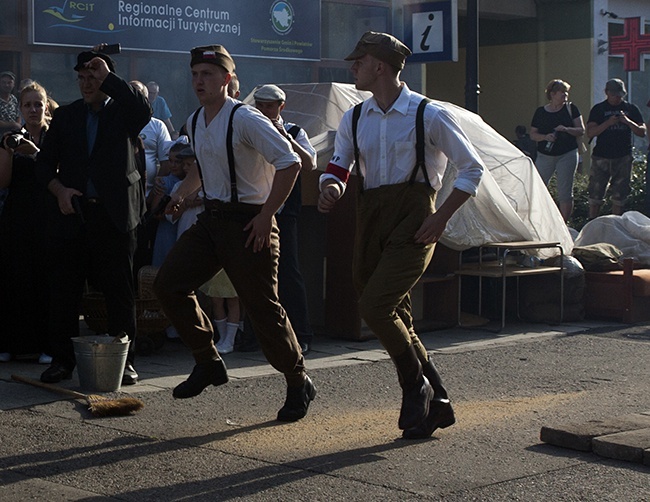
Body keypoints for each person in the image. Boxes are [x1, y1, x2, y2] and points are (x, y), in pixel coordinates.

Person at [317, 31, 484, 439]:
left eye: (360, 60)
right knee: (397, 315)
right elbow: (340, 165)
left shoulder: (428, 114)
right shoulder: (355, 116)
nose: (353, 67)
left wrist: (441, 217)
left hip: (415, 219)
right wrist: (331, 187)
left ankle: (414, 386)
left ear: (380, 66)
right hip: (370, 216)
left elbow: (473, 168)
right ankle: (438, 401)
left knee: (375, 306)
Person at [153, 44, 315, 422]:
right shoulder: (195, 120)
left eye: (207, 75)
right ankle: (208, 360)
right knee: (168, 285)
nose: (198, 81)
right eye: (194, 75)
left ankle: (297, 379)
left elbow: (291, 164)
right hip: (212, 220)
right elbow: (203, 167)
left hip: (249, 222)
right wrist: (180, 194)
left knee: (262, 309)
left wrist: (266, 216)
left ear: (227, 79)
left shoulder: (247, 119)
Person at [35, 46, 152, 384]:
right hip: (74, 214)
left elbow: (142, 109)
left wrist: (108, 77)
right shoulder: (66, 116)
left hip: (114, 216)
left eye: (94, 77)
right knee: (65, 291)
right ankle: (62, 360)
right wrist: (59, 190)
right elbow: (43, 165)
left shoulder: (122, 113)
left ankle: (124, 360)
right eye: (82, 78)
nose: (87, 84)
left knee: (119, 291)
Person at [253, 84, 317, 354]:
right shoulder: (251, 128)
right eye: (260, 105)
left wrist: (285, 138)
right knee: (254, 272)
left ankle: (301, 333)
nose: (264, 111)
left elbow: (310, 163)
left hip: (285, 210)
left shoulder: (294, 131)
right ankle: (256, 335)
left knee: (289, 272)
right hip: (256, 207)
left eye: (269, 106)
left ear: (281, 106)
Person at [0, 82, 54, 364]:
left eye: (37, 104)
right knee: (14, 279)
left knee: (45, 281)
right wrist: (8, 151)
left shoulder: (56, 136)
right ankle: (12, 343)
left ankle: (47, 344)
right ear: (20, 109)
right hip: (17, 217)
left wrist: (35, 153)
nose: (33, 110)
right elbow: (3, 182)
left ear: (46, 106)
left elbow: (62, 172)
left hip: (47, 215)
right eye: (27, 105)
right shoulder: (12, 137)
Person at [586, 78, 646, 219]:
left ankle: (616, 223)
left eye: (620, 95)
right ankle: (592, 222)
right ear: (607, 93)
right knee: (596, 192)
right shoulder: (599, 109)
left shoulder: (631, 109)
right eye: (614, 95)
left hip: (623, 156)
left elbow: (642, 132)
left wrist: (627, 121)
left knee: (620, 194)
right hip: (602, 156)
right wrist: (608, 122)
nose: (617, 98)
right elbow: (590, 132)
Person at [529, 79, 585, 222]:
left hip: (567, 153)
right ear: (552, 94)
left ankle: (563, 223)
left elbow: (581, 130)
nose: (565, 95)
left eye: (566, 92)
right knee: (538, 187)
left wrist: (566, 129)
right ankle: (539, 219)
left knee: (565, 191)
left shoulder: (571, 109)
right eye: (562, 92)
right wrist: (545, 137)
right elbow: (533, 134)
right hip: (545, 155)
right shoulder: (541, 112)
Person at [0, 70, 20, 215]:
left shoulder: (14, 99)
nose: (7, 85)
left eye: (10, 82)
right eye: (4, 82)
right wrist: (12, 125)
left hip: (14, 141)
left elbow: (19, 116)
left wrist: (17, 126)